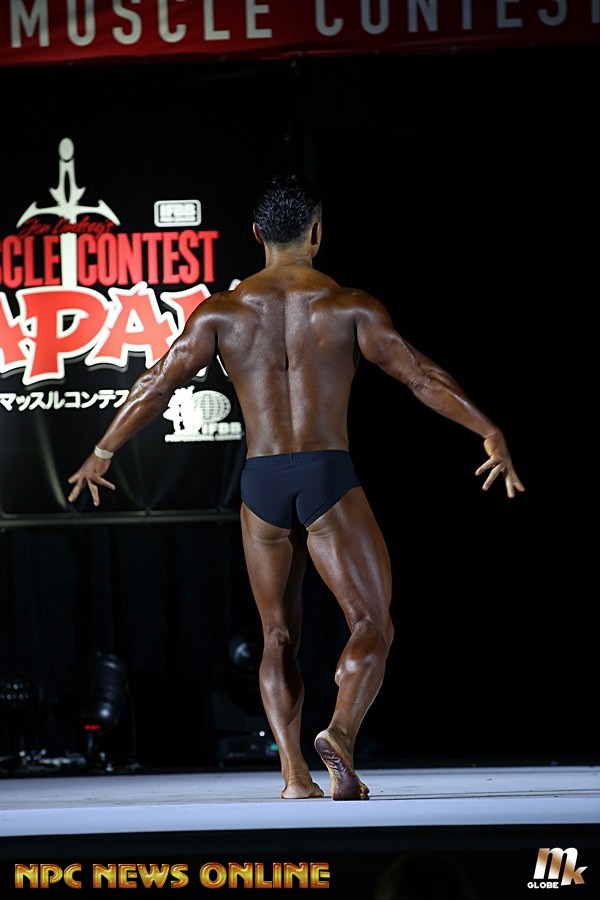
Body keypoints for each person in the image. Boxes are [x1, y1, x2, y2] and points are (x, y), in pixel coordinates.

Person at [67, 172, 524, 801]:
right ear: (317, 233)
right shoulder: (348, 305)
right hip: (325, 474)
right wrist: (487, 429)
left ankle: (293, 777)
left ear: (257, 234)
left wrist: (102, 450)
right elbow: (419, 375)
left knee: (277, 635)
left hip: (260, 484)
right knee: (371, 621)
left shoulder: (221, 312)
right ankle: (340, 731)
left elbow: (159, 381)